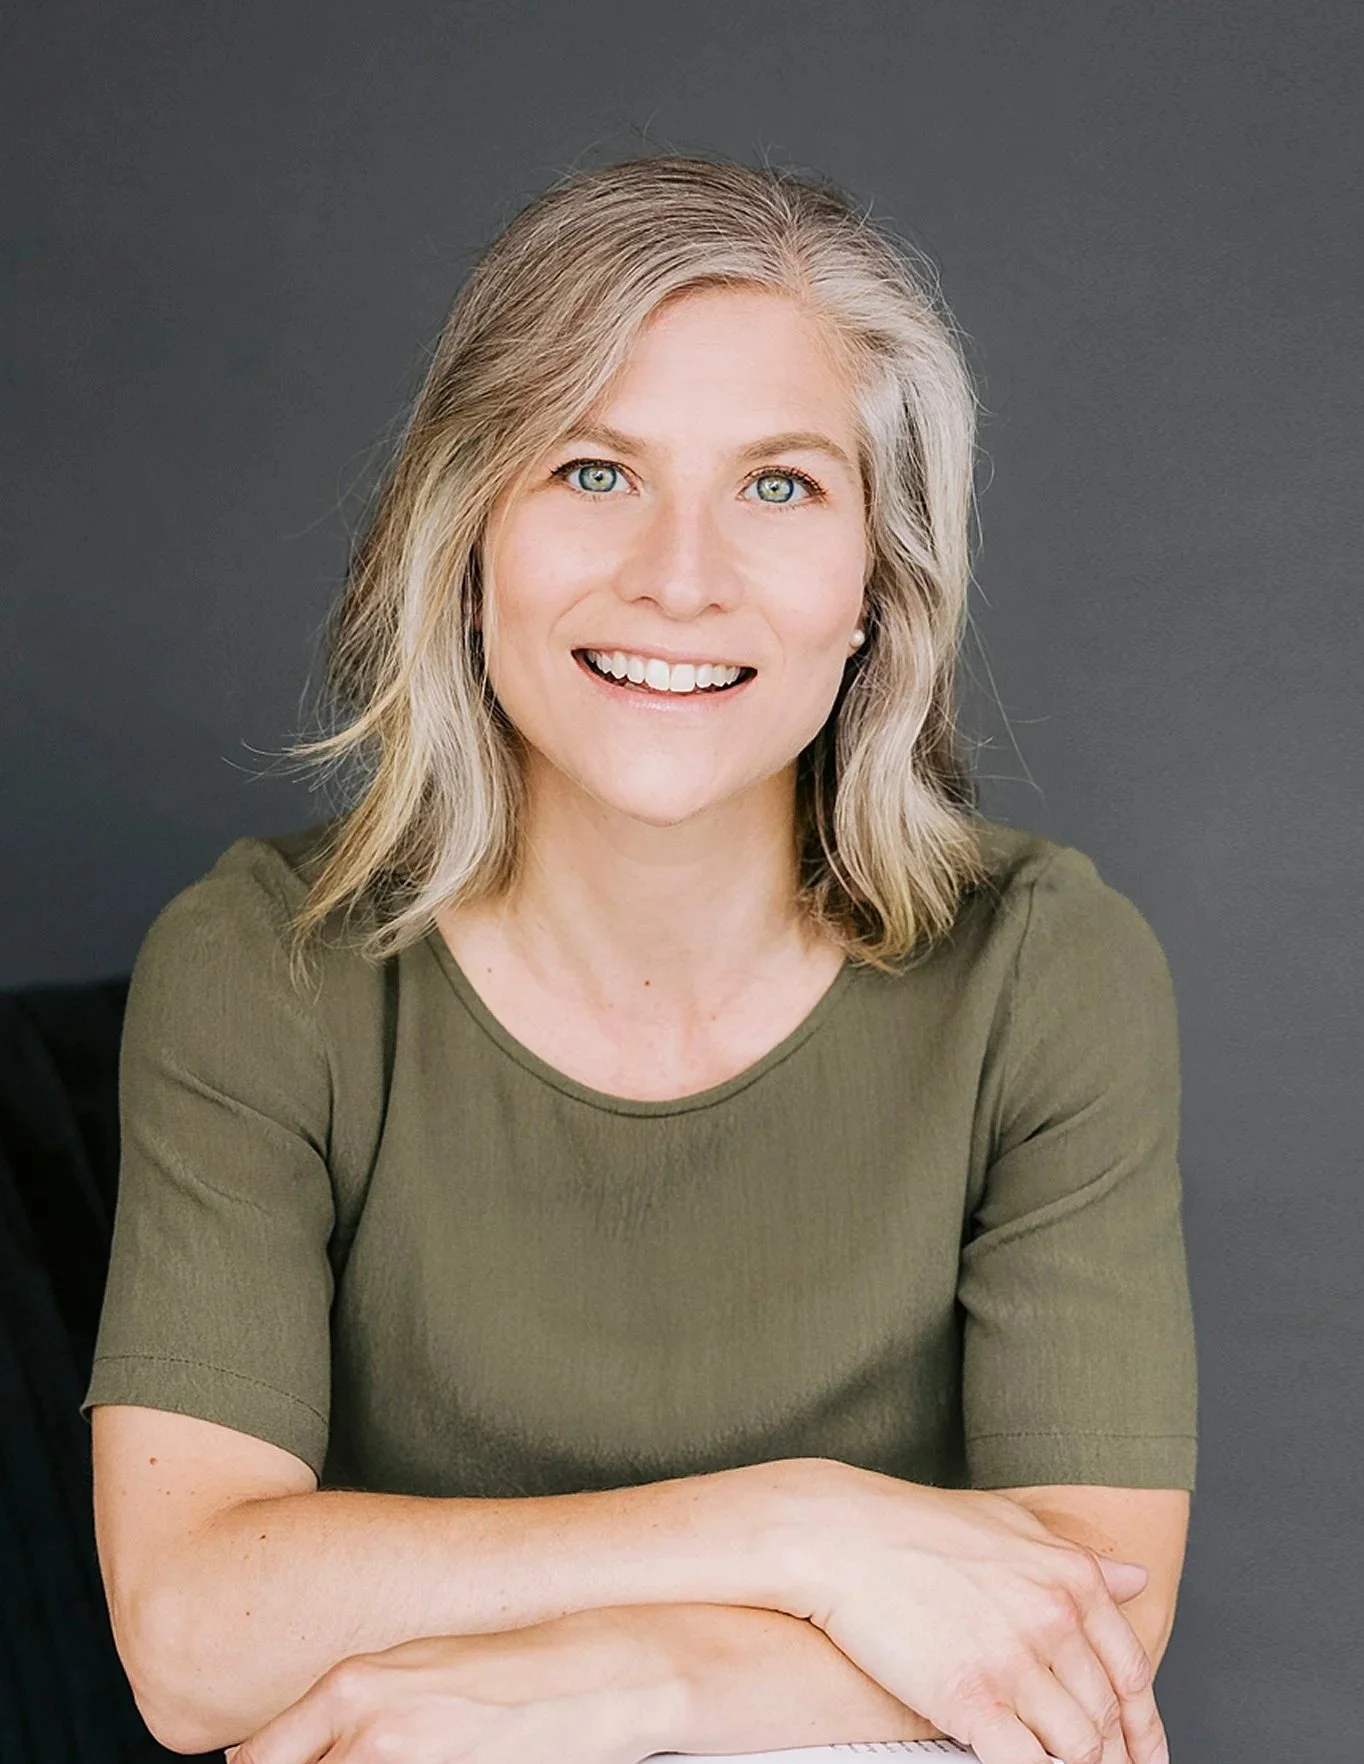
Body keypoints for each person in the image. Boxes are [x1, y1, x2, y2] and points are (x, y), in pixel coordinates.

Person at [82, 154, 1196, 1764]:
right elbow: (193, 1643)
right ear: (468, 541)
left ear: (879, 587)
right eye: (594, 471)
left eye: (781, 485)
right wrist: (798, 1533)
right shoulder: (266, 965)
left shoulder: (1047, 972)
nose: (680, 575)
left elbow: (1087, 1638)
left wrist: (620, 1687)